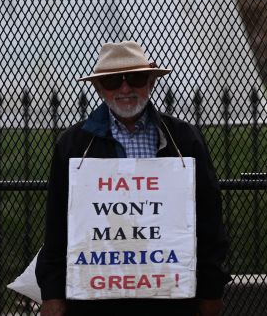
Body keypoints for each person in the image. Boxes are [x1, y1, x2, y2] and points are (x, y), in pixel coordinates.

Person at [37, 41, 231, 316]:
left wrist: (211, 289)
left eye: (136, 78)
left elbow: (209, 219)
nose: (125, 88)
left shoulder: (184, 140)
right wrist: (53, 293)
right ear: (99, 88)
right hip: (97, 300)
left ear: (151, 82)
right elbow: (58, 225)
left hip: (168, 298)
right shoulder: (74, 146)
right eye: (114, 80)